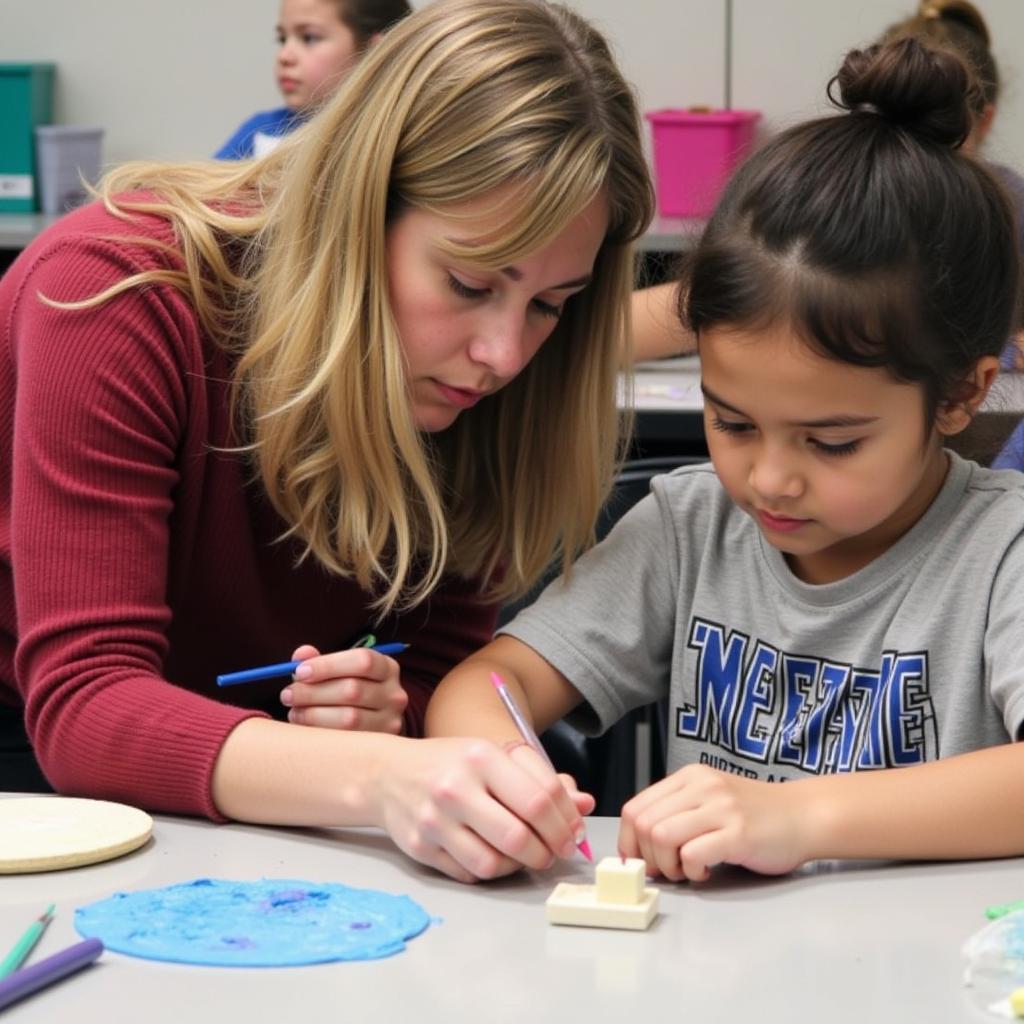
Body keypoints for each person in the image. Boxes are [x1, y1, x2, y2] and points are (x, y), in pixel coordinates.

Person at [0, 0, 656, 884]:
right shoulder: (116, 291)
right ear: (357, 206)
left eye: (550, 304)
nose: (504, 355)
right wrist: (380, 776)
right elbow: (88, 708)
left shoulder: (483, 383)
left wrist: (388, 716)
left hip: (250, 785)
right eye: (467, 282)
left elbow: (433, 664)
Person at [427, 37, 1024, 882]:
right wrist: (506, 777)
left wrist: (800, 815)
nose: (770, 478)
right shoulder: (691, 526)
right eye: (733, 421)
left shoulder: (1003, 550)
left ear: (962, 395)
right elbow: (486, 683)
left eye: (832, 441)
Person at [882, 0, 1024, 369]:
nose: (921, 154)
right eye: (904, 129)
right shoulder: (856, 200)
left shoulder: (1015, 207)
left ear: (984, 121)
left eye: (942, 134)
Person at [215, 0, 410, 159]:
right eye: (282, 39)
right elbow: (200, 200)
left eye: (309, 38)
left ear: (375, 52)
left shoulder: (401, 142)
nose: (284, 55)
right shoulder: (259, 133)